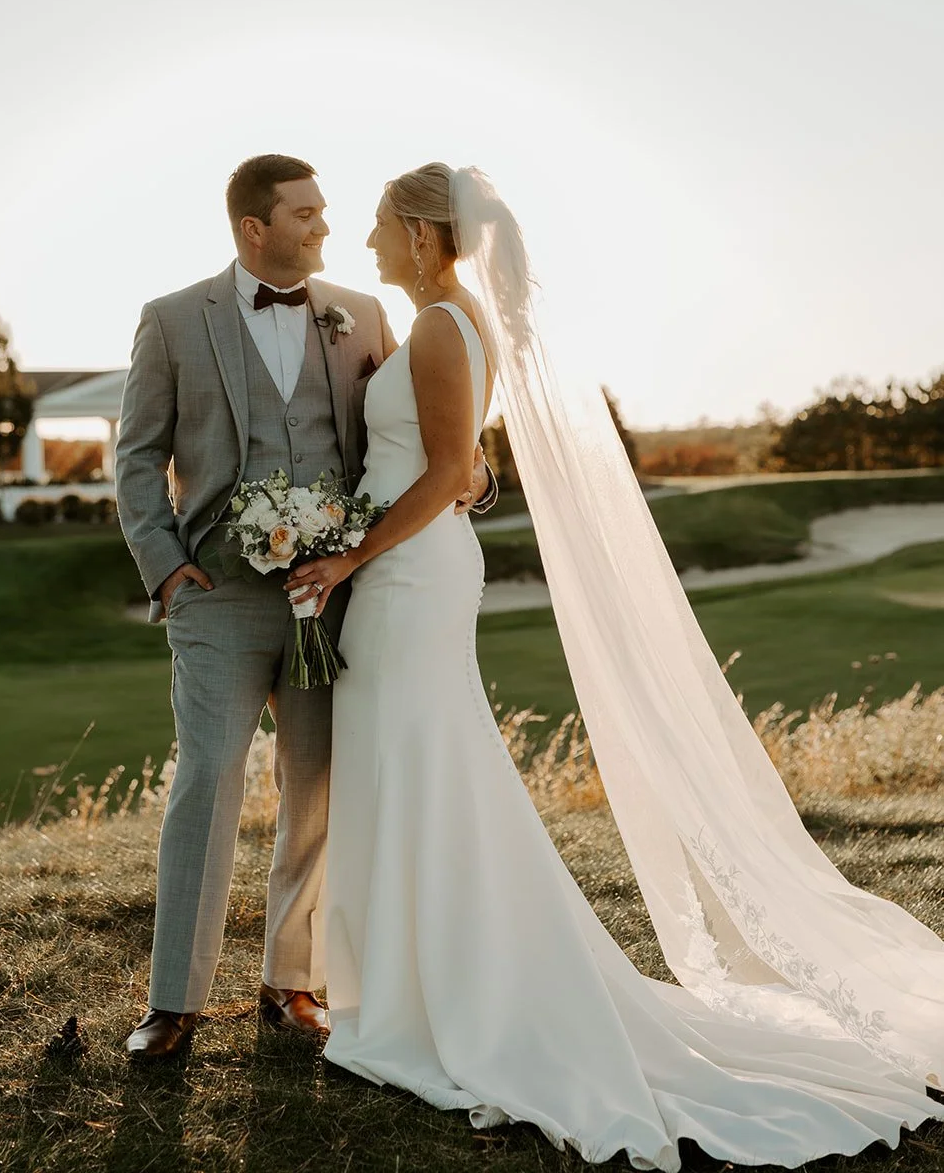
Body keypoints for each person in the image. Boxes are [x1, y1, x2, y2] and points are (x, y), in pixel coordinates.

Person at [284, 162, 944, 1170]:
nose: (368, 244)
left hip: (408, 577)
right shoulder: (453, 320)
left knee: (419, 767)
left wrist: (347, 557)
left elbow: (445, 473)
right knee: (412, 768)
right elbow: (463, 468)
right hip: (407, 571)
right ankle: (406, 980)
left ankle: (439, 994)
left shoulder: (434, 324)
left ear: (420, 233)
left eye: (380, 227)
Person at [114, 153, 496, 1059]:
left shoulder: (363, 315)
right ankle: (175, 1002)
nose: (325, 228)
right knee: (206, 781)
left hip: (334, 597)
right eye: (306, 213)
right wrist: (165, 568)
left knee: (316, 789)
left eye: (327, 212)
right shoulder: (171, 321)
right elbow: (136, 457)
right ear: (255, 227)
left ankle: (289, 982)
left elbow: (428, 436)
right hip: (217, 598)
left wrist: (474, 481)